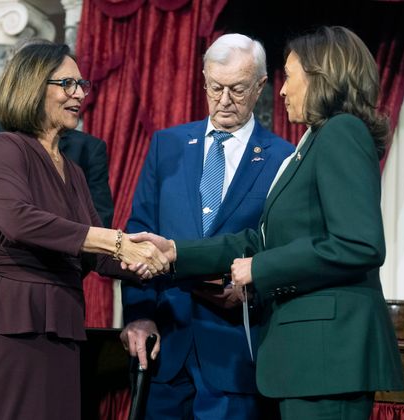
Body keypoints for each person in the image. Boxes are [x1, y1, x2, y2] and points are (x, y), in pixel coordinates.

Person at [129, 26, 404, 420]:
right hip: (307, 361)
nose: (282, 91)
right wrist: (176, 251)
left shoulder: (341, 132)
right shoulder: (314, 142)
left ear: (319, 78)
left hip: (327, 359)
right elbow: (262, 238)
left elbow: (360, 244)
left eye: (290, 77)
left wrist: (259, 270)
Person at [0, 41, 167, 420]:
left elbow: (97, 254)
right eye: (67, 83)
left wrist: (162, 257)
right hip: (9, 321)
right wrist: (117, 241)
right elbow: (19, 219)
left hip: (62, 324)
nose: (80, 93)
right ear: (33, 86)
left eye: (81, 84)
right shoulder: (7, 148)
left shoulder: (75, 171)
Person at [120, 33, 294, 419]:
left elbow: (284, 249)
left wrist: (256, 291)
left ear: (261, 86)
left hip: (236, 352)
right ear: (203, 80)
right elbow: (138, 234)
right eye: (215, 87)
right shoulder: (167, 146)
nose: (224, 100)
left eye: (237, 89)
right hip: (166, 344)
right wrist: (139, 313)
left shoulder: (284, 158)